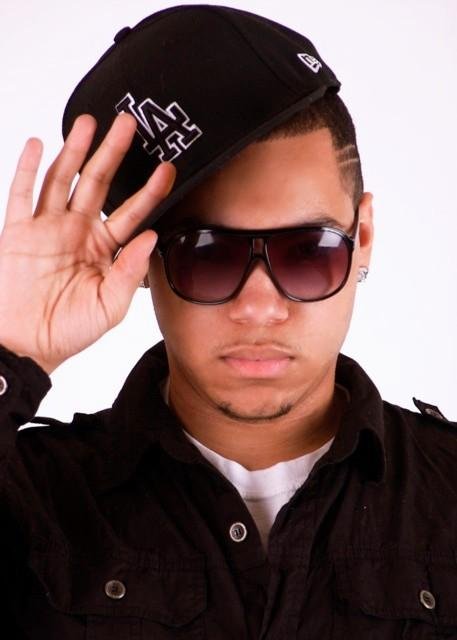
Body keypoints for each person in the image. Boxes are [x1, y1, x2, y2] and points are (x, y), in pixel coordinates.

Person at [0, 4, 456, 639]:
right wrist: (14, 348)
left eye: (309, 252)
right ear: (142, 261)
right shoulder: (30, 498)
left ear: (364, 241)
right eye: (207, 255)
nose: (259, 308)